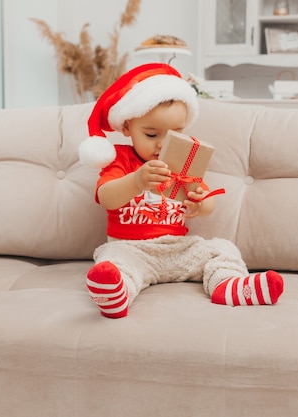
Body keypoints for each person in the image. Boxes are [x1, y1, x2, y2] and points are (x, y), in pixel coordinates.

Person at [78, 63, 283, 318]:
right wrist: (136, 182)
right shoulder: (121, 159)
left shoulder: (183, 159)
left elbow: (209, 205)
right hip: (132, 249)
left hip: (178, 248)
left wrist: (199, 204)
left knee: (222, 248)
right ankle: (116, 296)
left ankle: (229, 286)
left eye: (176, 133)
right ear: (128, 127)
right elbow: (106, 198)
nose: (163, 144)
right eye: (151, 134)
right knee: (113, 261)